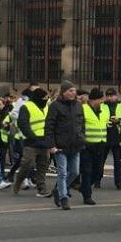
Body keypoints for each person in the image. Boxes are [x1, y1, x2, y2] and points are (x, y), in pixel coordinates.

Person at [44, 82, 85, 210]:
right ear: (64, 92)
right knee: (62, 172)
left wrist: (82, 137)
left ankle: (58, 189)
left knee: (74, 171)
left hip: (75, 144)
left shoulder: (78, 106)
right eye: (70, 91)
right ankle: (63, 197)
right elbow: (49, 126)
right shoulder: (55, 106)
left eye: (74, 91)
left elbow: (82, 124)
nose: (73, 93)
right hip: (60, 145)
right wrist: (51, 144)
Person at [12, 88, 50, 198]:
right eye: (44, 98)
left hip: (44, 141)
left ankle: (42, 189)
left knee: (43, 166)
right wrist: (32, 136)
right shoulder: (26, 106)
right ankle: (19, 181)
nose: (45, 100)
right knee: (27, 164)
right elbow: (23, 123)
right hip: (31, 142)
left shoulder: (47, 107)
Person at [79, 88, 110, 206]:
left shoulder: (103, 109)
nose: (102, 101)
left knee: (98, 172)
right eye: (100, 99)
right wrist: (83, 141)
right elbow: (80, 127)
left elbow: (105, 123)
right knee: (86, 171)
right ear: (95, 99)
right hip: (87, 145)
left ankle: (84, 187)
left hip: (101, 144)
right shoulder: (83, 109)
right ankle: (87, 195)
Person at [103, 88, 121, 189]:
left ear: (116, 96)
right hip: (105, 135)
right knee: (101, 160)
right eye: (108, 96)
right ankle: (97, 179)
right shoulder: (102, 105)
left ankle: (118, 182)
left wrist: (119, 120)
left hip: (117, 136)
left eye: (111, 96)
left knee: (117, 161)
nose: (109, 98)